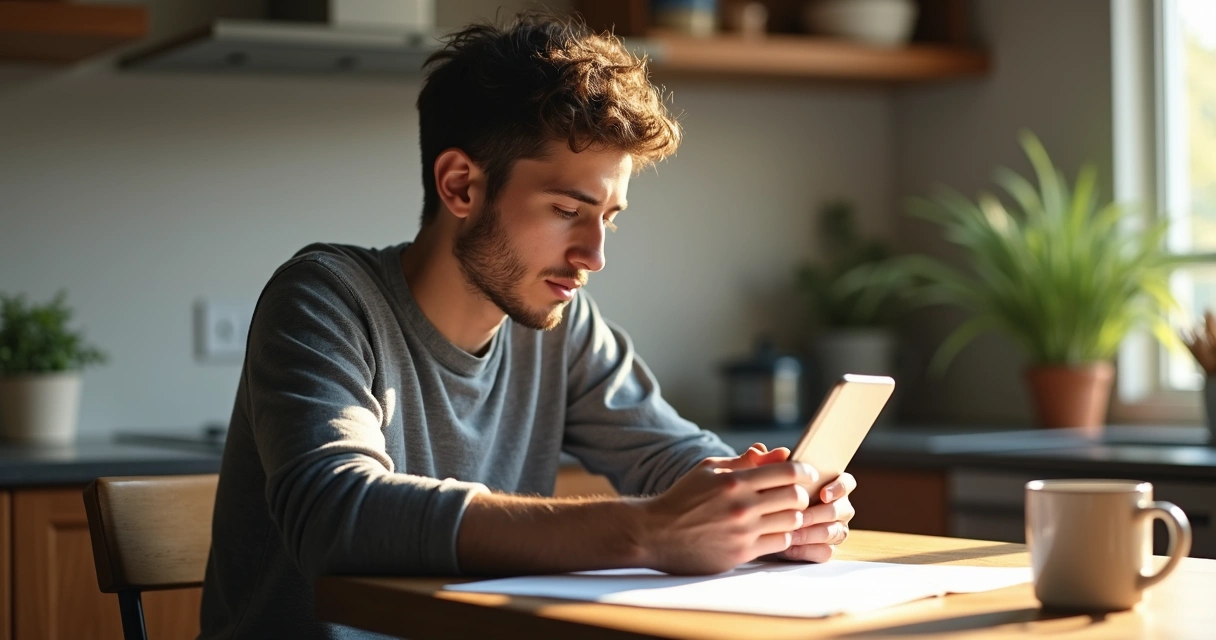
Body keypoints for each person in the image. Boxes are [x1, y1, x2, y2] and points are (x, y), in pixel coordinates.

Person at [198, 12, 857, 639]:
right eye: (568, 209)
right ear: (460, 185)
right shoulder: (325, 298)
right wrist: (645, 531)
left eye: (610, 216)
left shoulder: (562, 325)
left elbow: (668, 457)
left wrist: (771, 504)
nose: (595, 254)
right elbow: (337, 513)